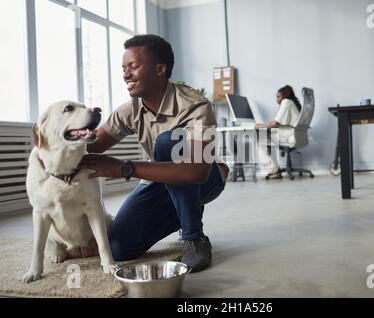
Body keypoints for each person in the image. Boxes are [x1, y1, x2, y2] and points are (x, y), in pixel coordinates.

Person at [79, 34, 229, 273]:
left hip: (206, 179)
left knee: (168, 142)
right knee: (118, 247)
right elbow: (93, 144)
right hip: (162, 179)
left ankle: (194, 237)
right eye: (123, 68)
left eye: (134, 66)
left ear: (160, 69)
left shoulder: (196, 106)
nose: (125, 74)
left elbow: (197, 171)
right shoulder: (130, 110)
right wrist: (57, 133)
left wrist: (124, 168)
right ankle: (184, 209)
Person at [255, 85, 301, 179]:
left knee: (260, 138)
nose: (277, 99)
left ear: (284, 96)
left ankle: (274, 169)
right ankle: (275, 169)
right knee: (266, 139)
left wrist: (261, 126)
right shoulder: (292, 102)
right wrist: (265, 125)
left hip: (289, 135)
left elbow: (276, 122)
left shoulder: (286, 101)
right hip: (294, 134)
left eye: (278, 97)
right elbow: (276, 121)